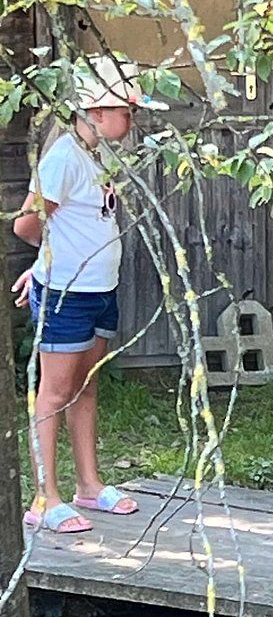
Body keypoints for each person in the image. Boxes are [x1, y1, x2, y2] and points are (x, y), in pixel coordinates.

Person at [14, 57, 164, 533]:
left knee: (85, 386)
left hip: (101, 291)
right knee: (54, 392)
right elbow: (27, 224)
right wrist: (44, 270)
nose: (132, 120)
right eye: (127, 110)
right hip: (66, 294)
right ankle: (44, 497)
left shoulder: (100, 155)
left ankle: (88, 486)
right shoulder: (62, 158)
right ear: (95, 111)